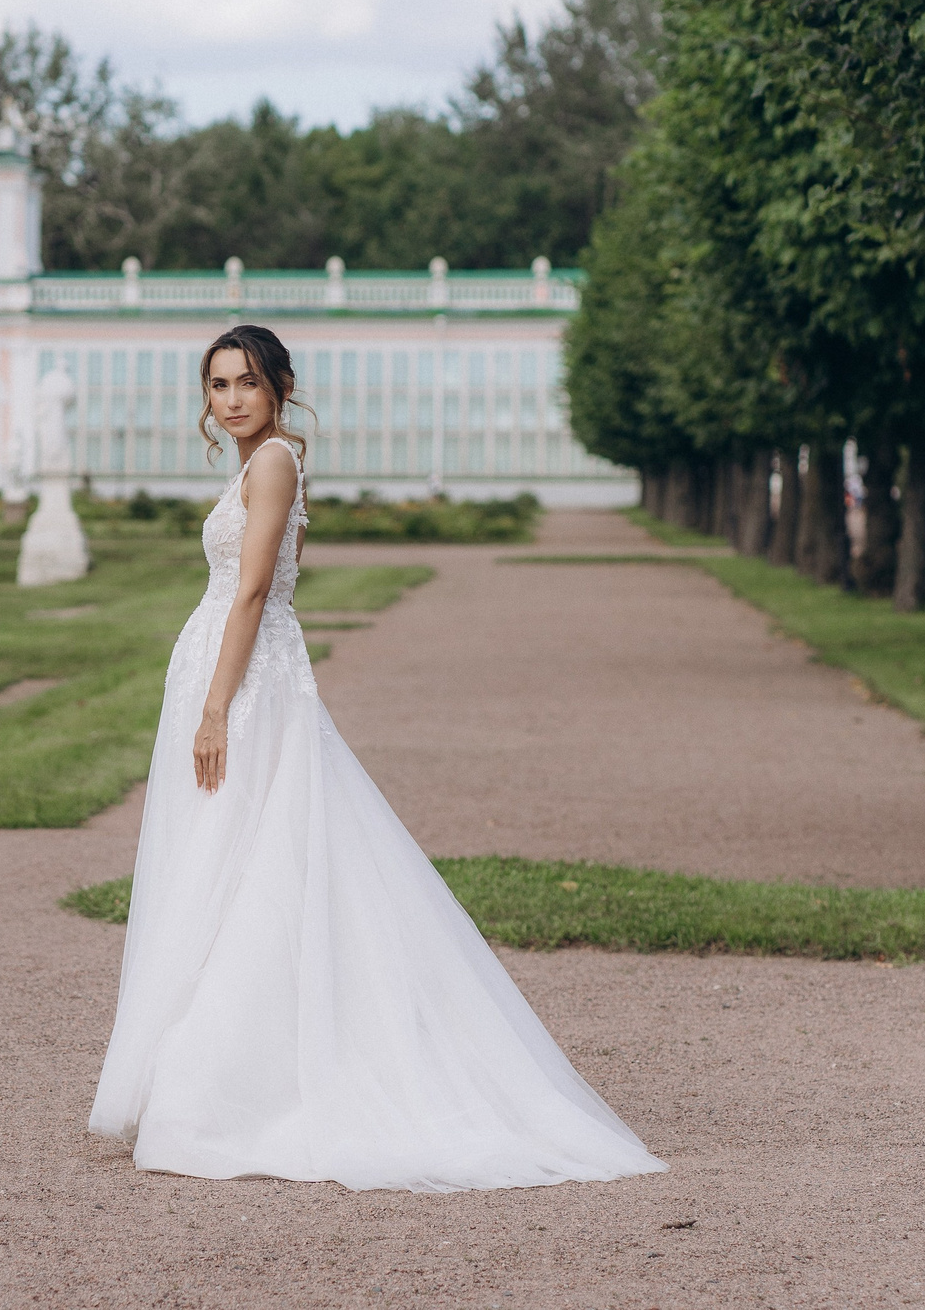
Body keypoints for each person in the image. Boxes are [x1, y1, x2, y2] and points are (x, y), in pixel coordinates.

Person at [88, 324, 664, 1192]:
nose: (231, 398)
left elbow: (252, 591)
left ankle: (233, 1081)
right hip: (240, 666)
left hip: (243, 681)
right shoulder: (262, 464)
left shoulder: (274, 463)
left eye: (246, 381)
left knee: (248, 857)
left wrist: (216, 706)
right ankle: (219, 1065)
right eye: (217, 384)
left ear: (279, 385)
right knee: (228, 858)